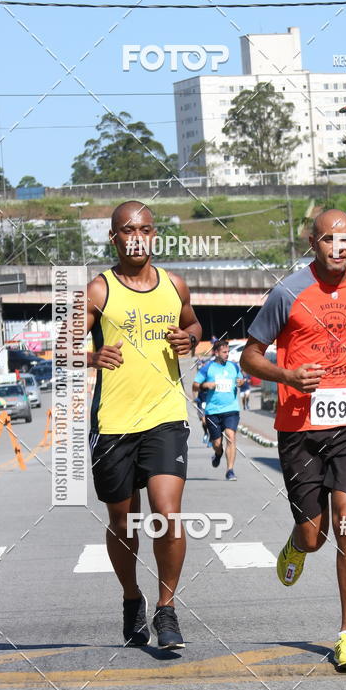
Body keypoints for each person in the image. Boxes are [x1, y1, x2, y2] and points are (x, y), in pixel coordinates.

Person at [240, 209, 346, 672]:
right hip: (299, 426)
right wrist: (286, 374)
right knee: (315, 535)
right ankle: (297, 541)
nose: (340, 248)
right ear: (313, 242)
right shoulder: (287, 292)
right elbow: (250, 356)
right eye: (330, 239)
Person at [86, 201, 202, 649]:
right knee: (122, 520)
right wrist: (93, 356)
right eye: (127, 230)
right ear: (114, 238)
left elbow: (194, 327)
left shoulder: (175, 285)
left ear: (155, 235)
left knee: (167, 514)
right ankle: (131, 598)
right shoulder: (99, 290)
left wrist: (188, 339)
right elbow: (64, 347)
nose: (137, 236)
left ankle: (166, 609)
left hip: (165, 415)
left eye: (145, 229)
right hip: (113, 421)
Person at [192, 339, 243, 481]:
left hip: (231, 409)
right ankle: (218, 454)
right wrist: (205, 385)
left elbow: (241, 379)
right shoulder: (207, 368)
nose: (227, 354)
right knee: (217, 444)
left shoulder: (234, 366)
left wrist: (241, 382)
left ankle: (230, 470)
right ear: (216, 352)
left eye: (228, 352)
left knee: (230, 436)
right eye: (224, 352)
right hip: (212, 411)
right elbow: (195, 386)